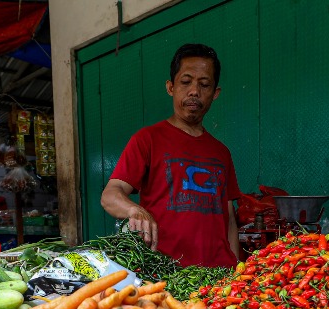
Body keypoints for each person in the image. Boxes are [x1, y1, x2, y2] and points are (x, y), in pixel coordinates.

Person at [101, 43, 241, 268]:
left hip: (218, 276)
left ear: (215, 93)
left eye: (204, 84)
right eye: (186, 82)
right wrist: (134, 210)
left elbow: (229, 218)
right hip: (165, 273)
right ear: (170, 87)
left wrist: (237, 268)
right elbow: (110, 195)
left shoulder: (221, 152)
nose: (194, 91)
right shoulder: (147, 139)